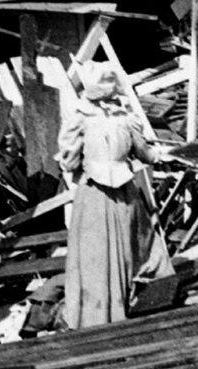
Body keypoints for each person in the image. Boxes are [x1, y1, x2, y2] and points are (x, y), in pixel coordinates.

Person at [57, 62, 171, 329]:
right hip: (122, 192)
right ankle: (145, 294)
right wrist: (162, 155)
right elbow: (145, 153)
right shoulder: (124, 116)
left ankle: (98, 313)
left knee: (96, 255)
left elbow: (68, 158)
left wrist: (74, 169)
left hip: (96, 194)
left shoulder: (80, 116)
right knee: (136, 245)